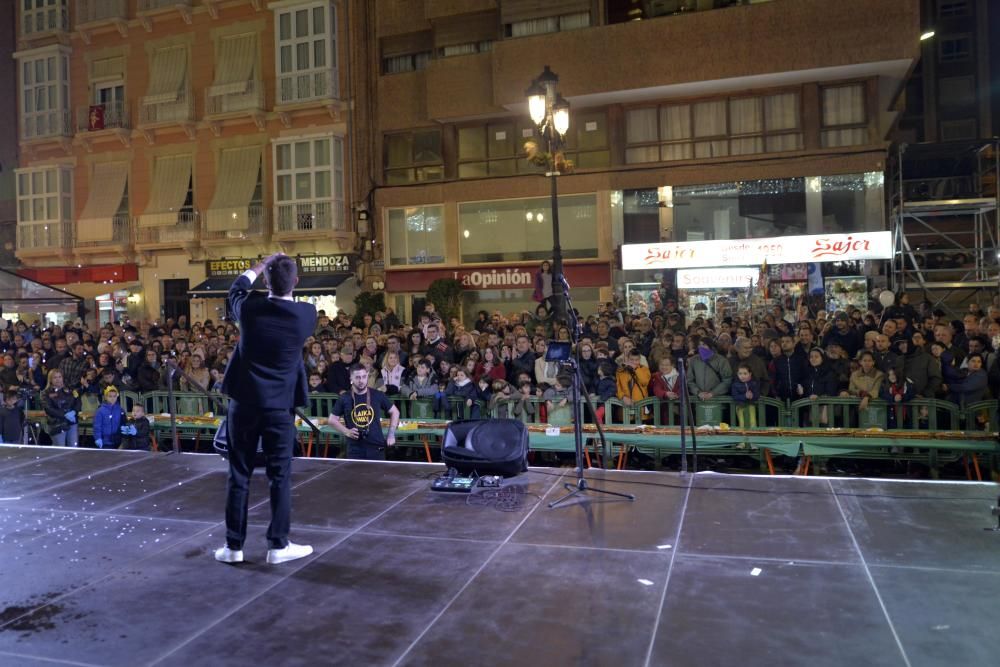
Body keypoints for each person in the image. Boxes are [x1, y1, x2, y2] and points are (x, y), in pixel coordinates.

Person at [216, 253, 317, 566]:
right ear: (296, 283)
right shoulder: (306, 314)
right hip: (279, 408)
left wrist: (257, 266)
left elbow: (236, 288)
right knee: (279, 476)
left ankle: (234, 547)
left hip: (244, 404)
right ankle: (278, 545)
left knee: (238, 474)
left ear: (265, 281)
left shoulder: (248, 308)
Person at [328, 363, 400, 460]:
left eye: (364, 376)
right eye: (357, 377)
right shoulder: (344, 398)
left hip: (376, 447)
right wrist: (346, 432)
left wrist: (391, 434)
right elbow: (332, 420)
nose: (361, 380)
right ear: (351, 379)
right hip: (354, 449)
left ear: (367, 376)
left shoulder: (377, 395)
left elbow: (395, 412)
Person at [40, 369, 80, 447]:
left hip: (72, 422)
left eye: (59, 377)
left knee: (73, 447)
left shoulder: (71, 389)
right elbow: (48, 408)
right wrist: (65, 415)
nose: (58, 379)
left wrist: (74, 411)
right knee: (59, 448)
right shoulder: (45, 393)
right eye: (55, 377)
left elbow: (78, 402)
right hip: (57, 424)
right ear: (50, 380)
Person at [730, 364, 760, 428]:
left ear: (750, 374)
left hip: (751, 406)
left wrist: (752, 396)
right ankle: (742, 436)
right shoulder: (735, 385)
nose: (742, 376)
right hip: (740, 406)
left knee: (753, 422)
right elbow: (735, 396)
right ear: (737, 374)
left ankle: (753, 435)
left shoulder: (754, 383)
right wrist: (745, 396)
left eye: (745, 373)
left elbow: (757, 394)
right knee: (742, 423)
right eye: (740, 374)